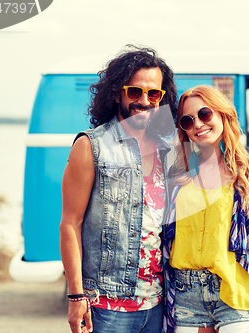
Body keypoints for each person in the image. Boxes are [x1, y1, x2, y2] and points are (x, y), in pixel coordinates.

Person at [59, 45, 178, 333]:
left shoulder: (168, 150)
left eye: (154, 94)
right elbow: (70, 224)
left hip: (159, 305)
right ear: (116, 93)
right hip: (106, 307)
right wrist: (76, 296)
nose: (145, 101)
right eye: (135, 92)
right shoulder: (90, 146)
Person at [162, 85, 249, 333]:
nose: (198, 123)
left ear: (222, 114)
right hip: (186, 295)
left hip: (237, 291)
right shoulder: (176, 174)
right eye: (188, 120)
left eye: (205, 114)